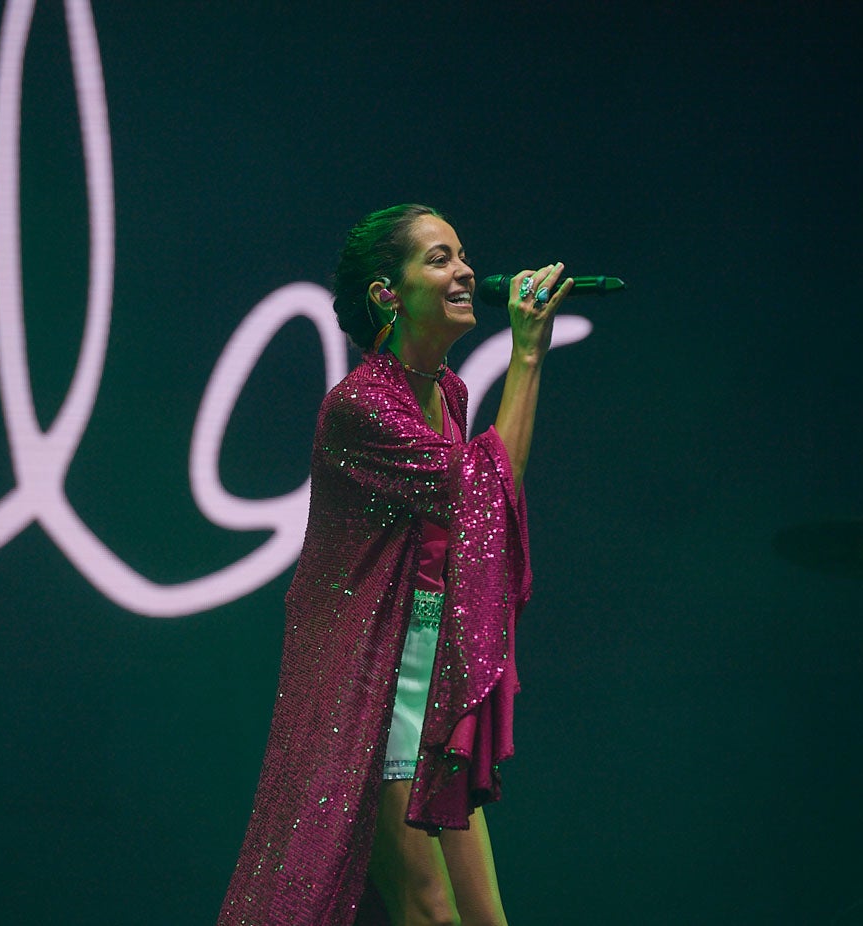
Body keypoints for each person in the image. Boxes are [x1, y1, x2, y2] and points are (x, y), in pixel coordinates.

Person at [217, 204, 571, 926]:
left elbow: (478, 521)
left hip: (429, 675)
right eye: (439, 258)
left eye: (463, 254)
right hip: (368, 683)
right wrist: (527, 355)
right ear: (388, 292)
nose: (466, 270)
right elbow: (479, 495)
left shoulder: (449, 392)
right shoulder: (360, 407)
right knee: (429, 910)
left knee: (484, 915)